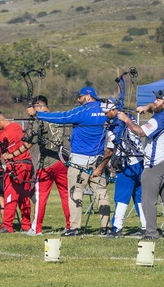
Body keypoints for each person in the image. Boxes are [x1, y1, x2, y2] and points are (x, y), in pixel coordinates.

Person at [27, 85, 110, 236]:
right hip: (98, 160)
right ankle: (106, 228)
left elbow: (62, 117)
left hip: (79, 160)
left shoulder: (82, 111)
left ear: (87, 96)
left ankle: (74, 228)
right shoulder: (106, 110)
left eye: (80, 97)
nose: (78, 100)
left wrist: (39, 114)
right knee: (101, 194)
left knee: (75, 193)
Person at [117, 89, 164, 239]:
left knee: (148, 200)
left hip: (156, 165)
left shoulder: (159, 119)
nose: (155, 101)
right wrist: (147, 107)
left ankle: (151, 233)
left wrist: (126, 119)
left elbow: (140, 132)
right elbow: (154, 107)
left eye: (159, 100)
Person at [99, 98, 146, 237]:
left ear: (114, 110)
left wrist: (100, 167)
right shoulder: (129, 119)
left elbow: (110, 150)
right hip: (140, 162)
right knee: (139, 196)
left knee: (121, 196)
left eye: (107, 112)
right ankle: (145, 226)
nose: (105, 115)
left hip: (127, 164)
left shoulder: (116, 127)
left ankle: (116, 228)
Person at [0, 110, 33, 233]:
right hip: (27, 164)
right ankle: (26, 225)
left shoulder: (4, 134)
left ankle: (7, 225)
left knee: (11, 195)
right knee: (24, 195)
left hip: (15, 166)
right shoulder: (16, 126)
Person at [28, 96, 71, 235]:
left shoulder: (41, 120)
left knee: (41, 196)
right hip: (61, 160)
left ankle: (37, 228)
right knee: (65, 195)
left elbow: (31, 139)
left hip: (47, 163)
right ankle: (71, 226)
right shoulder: (56, 117)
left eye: (34, 107)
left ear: (39, 107)